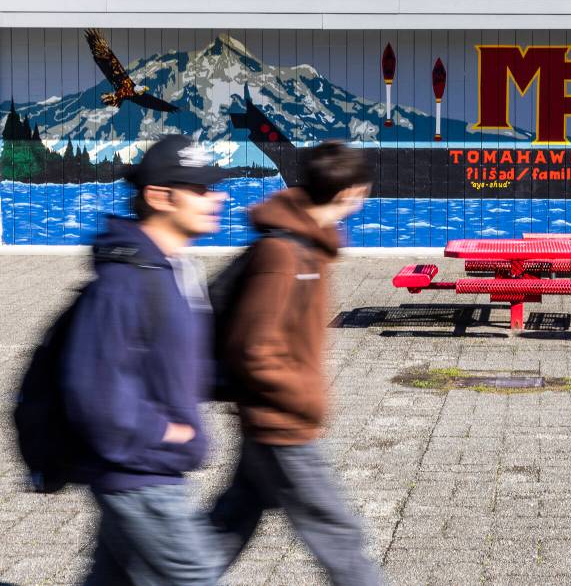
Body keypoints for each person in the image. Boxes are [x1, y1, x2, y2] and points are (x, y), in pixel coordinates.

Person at [210, 141, 379, 585]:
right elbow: (253, 348)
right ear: (350, 194)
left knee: (228, 526)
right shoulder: (285, 254)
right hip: (282, 422)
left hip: (269, 418)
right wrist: (304, 398)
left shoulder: (309, 245)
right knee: (340, 536)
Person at [61, 134, 228, 585]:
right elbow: (91, 388)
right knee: (198, 576)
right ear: (159, 196)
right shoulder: (126, 281)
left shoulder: (171, 267)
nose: (218, 196)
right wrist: (164, 430)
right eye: (201, 189)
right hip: (143, 474)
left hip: (143, 469)